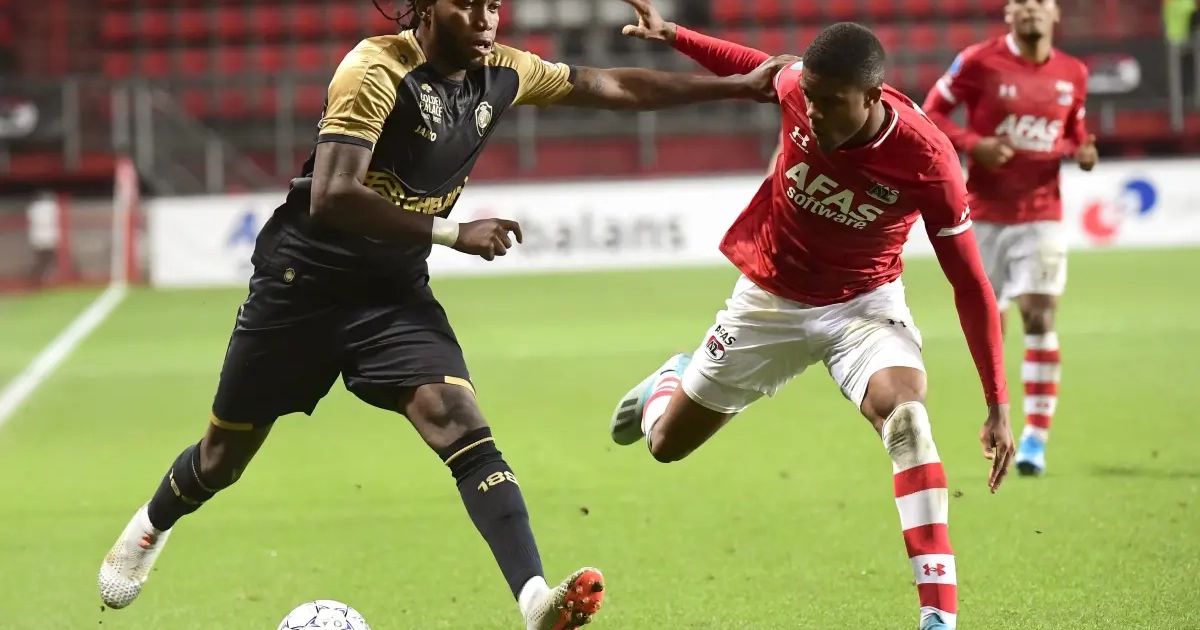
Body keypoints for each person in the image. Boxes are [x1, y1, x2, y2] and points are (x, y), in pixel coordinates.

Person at [96, 2, 788, 629]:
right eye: (468, 4)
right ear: (426, 9)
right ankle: (152, 524)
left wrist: (738, 86)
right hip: (300, 288)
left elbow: (607, 86)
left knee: (460, 422)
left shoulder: (505, 70)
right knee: (222, 459)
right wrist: (455, 233)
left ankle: (535, 600)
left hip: (392, 292)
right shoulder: (374, 70)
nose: (486, 19)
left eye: (494, 5)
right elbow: (332, 195)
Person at [609, 2, 1016, 629]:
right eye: (811, 99)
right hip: (769, 301)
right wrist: (675, 34)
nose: (814, 111)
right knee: (664, 445)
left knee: (908, 420)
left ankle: (938, 616)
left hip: (863, 306)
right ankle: (670, 380)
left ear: (873, 96)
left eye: (831, 102)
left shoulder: (928, 160)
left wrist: (997, 402)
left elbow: (970, 283)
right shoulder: (800, 87)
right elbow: (756, 66)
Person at [922, 0, 1096, 477]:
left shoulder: (1074, 73)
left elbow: (1074, 132)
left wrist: (1082, 150)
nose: (1032, 10)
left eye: (1041, 3)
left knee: (1039, 314)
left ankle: (1036, 438)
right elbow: (932, 112)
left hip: (1042, 214)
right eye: (1022, 3)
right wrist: (973, 144)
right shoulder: (979, 61)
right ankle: (996, 418)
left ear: (1055, 13)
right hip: (983, 214)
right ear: (1009, 13)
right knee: (990, 326)